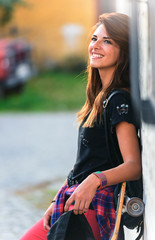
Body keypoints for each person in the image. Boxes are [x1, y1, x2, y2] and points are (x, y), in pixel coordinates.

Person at [20, 12, 142, 240]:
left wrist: (94, 180)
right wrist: (57, 199)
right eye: (94, 38)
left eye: (107, 41)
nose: (96, 45)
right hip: (74, 199)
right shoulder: (99, 97)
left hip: (93, 206)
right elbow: (85, 163)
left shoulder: (118, 100)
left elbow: (134, 165)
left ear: (123, 50)